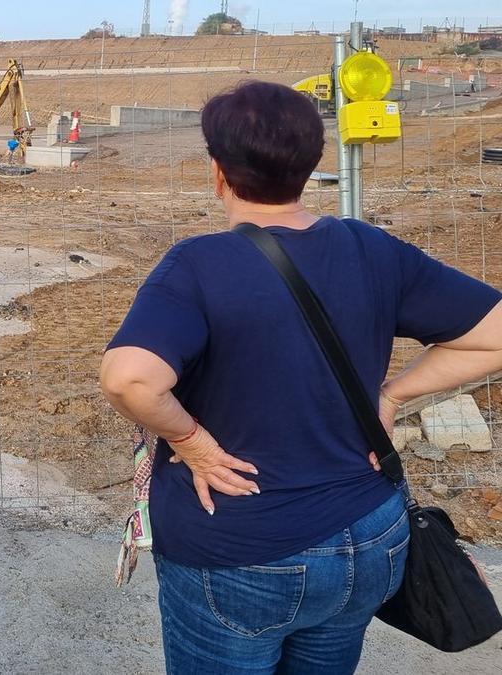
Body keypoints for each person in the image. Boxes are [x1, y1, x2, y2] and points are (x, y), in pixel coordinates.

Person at [99, 80, 502, 674]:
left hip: (242, 550)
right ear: (311, 164)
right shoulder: (371, 248)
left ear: (218, 171)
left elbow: (130, 379)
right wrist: (394, 393)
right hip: (370, 537)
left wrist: (192, 443)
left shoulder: (198, 264)